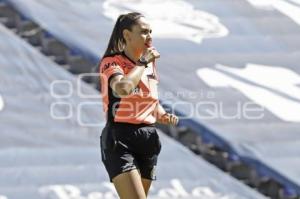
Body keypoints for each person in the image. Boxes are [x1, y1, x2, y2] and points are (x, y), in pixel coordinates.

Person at [99, 12, 178, 199]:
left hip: (148, 137)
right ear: (127, 35)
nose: (149, 36)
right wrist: (142, 62)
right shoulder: (112, 62)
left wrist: (162, 114)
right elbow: (123, 89)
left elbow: (150, 99)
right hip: (120, 138)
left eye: (150, 31)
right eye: (143, 32)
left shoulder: (150, 65)